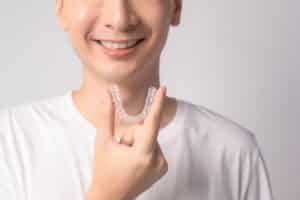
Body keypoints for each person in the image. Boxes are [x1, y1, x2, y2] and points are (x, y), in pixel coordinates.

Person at [0, 0, 274, 199]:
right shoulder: (10, 142)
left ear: (176, 7)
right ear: (61, 7)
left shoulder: (232, 152)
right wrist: (109, 194)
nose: (119, 18)